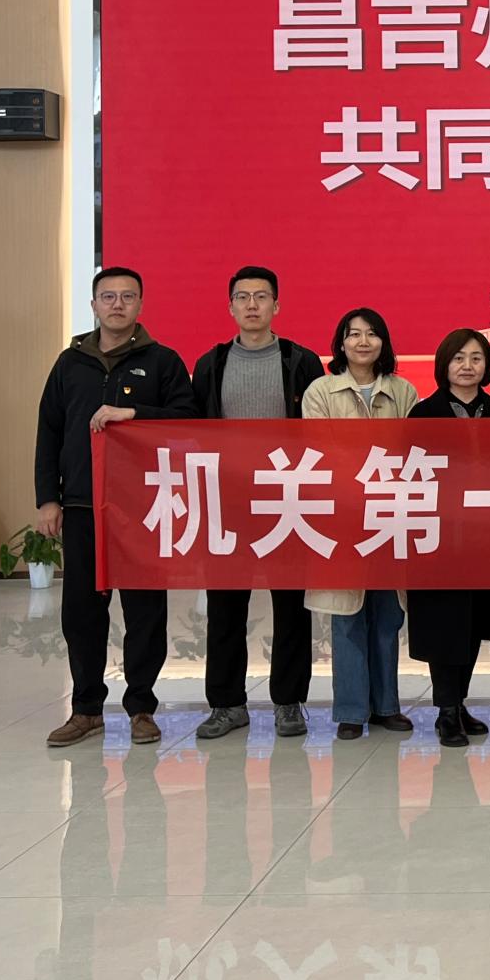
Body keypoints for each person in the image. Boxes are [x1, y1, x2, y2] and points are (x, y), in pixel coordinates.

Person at [34, 266, 197, 748]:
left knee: (145, 610)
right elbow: (49, 431)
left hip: (145, 506)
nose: (117, 304)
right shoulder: (70, 363)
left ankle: (141, 707)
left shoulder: (163, 361)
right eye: (108, 297)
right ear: (94, 305)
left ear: (140, 305)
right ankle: (86, 709)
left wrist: (135, 414)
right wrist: (48, 498)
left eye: (127, 296)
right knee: (82, 611)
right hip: (83, 505)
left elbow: (188, 421)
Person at [191, 267, 326, 743]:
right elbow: (192, 428)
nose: (252, 305)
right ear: (230, 306)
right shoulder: (210, 364)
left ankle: (289, 702)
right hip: (229, 500)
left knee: (292, 607)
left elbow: (322, 430)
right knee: (225, 606)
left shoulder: (301, 361)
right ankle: (226, 703)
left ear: (276, 306)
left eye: (261, 297)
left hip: (288, 496)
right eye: (243, 297)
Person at [303, 306, 418, 740]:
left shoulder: (403, 391)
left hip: (390, 514)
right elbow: (319, 451)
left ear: (383, 342)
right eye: (354, 334)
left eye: (372, 334)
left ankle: (387, 705)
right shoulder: (321, 390)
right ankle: (351, 710)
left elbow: (413, 450)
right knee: (346, 613)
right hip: (342, 516)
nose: (363, 341)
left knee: (388, 614)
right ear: (341, 343)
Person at [407, 329, 490, 747]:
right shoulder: (423, 414)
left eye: (476, 358)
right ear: (444, 365)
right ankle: (446, 710)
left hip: (485, 536)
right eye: (458, 358)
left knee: (473, 623)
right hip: (439, 537)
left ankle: (459, 702)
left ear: (487, 365)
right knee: (443, 623)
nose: (467, 366)